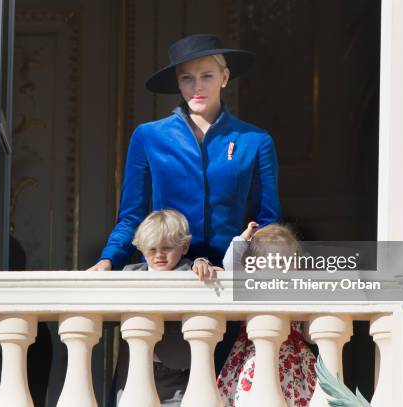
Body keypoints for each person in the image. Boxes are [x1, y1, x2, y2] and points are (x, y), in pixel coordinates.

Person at [88, 33, 283, 271]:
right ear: (178, 83)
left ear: (224, 77)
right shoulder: (148, 137)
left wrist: (256, 269)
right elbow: (131, 216)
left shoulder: (255, 141)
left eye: (207, 76)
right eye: (187, 78)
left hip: (229, 274)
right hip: (166, 277)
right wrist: (109, 258)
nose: (197, 86)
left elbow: (268, 222)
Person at [113, 209, 221, 406]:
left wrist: (203, 262)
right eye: (151, 249)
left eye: (167, 248)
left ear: (185, 246)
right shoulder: (130, 274)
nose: (159, 255)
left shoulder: (191, 271)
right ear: (141, 248)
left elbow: (201, 271)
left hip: (178, 374)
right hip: (134, 369)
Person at [216, 223, 317, 406]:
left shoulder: (297, 292)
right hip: (255, 354)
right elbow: (231, 267)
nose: (285, 268)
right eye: (278, 262)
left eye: (291, 261)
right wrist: (242, 241)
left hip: (294, 360)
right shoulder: (253, 286)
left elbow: (309, 336)